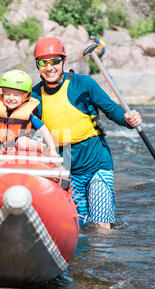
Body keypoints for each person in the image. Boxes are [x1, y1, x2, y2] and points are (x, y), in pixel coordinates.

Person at [31, 37, 142, 229]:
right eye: (43, 62)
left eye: (55, 61)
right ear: (37, 65)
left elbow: (111, 109)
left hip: (97, 163)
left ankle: (102, 258)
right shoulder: (34, 95)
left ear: (63, 61)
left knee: (101, 226)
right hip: (66, 170)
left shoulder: (83, 84)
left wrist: (127, 119)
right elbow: (22, 126)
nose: (49, 67)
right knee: (76, 226)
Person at [0, 69, 58, 157]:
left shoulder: (27, 112)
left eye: (17, 95)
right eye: (7, 94)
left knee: (22, 142)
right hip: (0, 144)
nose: (11, 98)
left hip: (19, 143)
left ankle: (43, 148)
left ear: (26, 96)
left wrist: (52, 149)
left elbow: (43, 129)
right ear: (2, 93)